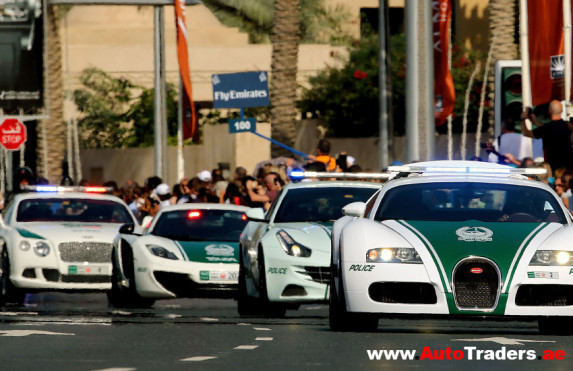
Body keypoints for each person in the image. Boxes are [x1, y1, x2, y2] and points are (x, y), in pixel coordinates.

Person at [520, 100, 573, 173]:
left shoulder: (546, 129)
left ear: (550, 111)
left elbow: (526, 133)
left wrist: (522, 119)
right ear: (562, 110)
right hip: (568, 166)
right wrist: (535, 122)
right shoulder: (569, 126)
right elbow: (553, 128)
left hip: (552, 167)